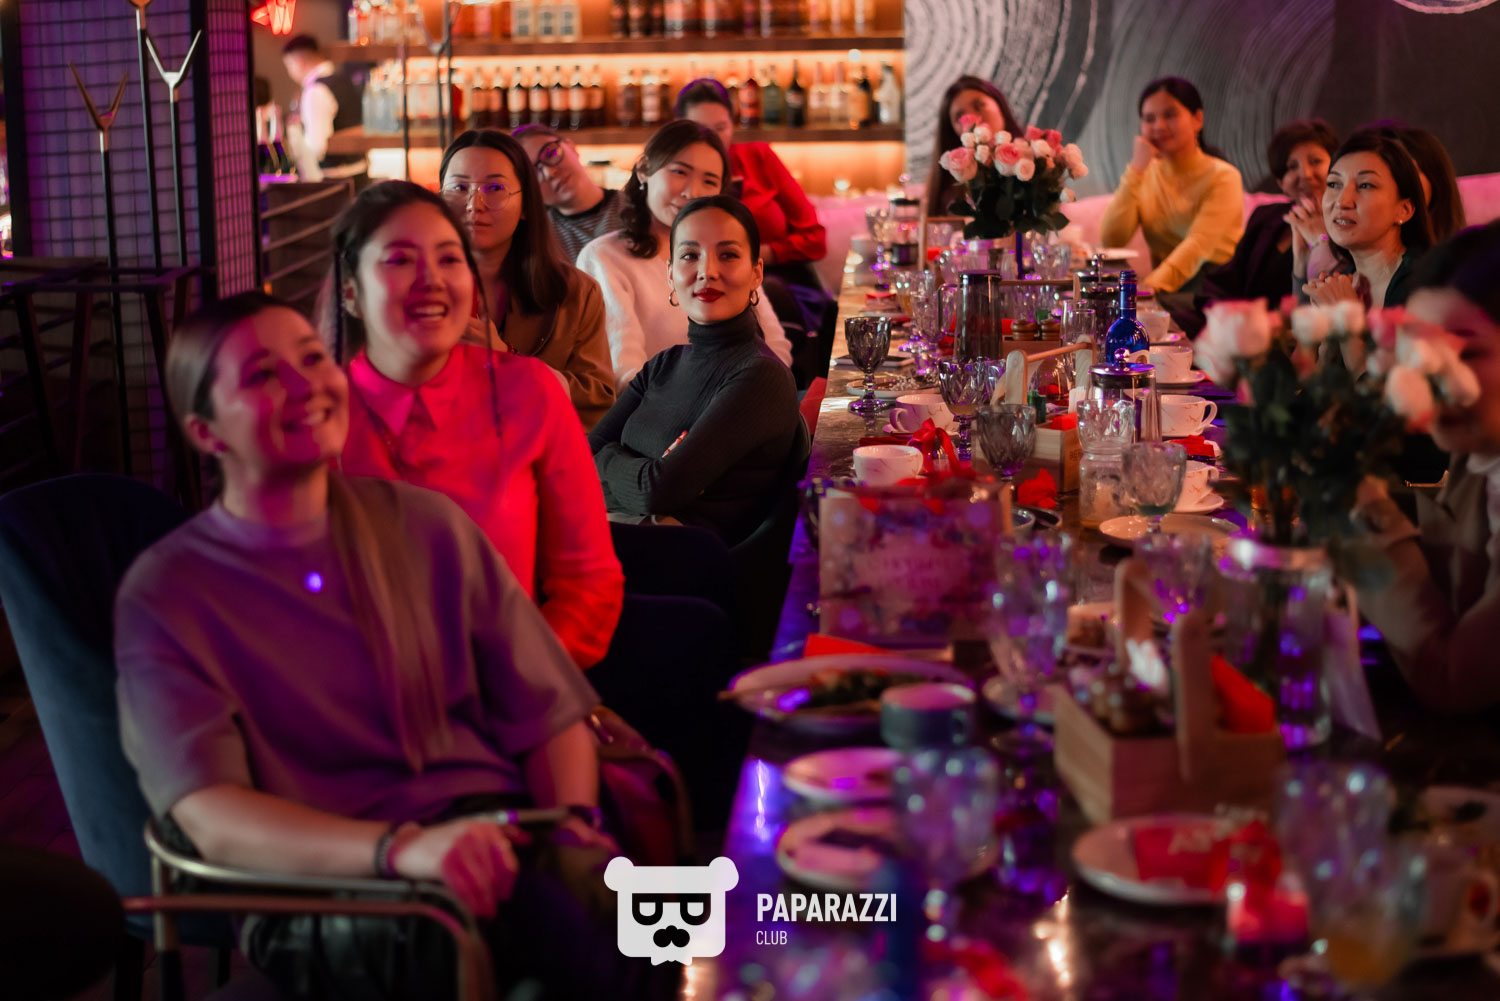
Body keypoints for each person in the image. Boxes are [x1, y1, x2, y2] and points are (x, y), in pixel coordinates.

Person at [116, 291, 677, 999]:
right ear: (205, 431)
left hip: (492, 837)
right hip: (325, 888)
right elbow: (210, 814)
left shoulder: (427, 525)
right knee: (566, 932)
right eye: (262, 376)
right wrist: (403, 851)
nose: (304, 386)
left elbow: (548, 707)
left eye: (312, 359)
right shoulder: (171, 591)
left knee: (635, 914)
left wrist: (569, 827)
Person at [329, 181, 624, 669]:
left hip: (514, 685)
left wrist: (522, 674)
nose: (431, 280)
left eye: (449, 259)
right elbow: (290, 597)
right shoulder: (316, 416)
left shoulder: (528, 392)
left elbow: (589, 581)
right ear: (350, 292)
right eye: (399, 260)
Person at [588, 195, 804, 545]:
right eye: (690, 256)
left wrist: (611, 457)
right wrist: (639, 470)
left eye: (728, 255)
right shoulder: (664, 363)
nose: (707, 272)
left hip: (679, 556)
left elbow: (656, 492)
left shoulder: (760, 376)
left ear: (756, 274)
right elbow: (583, 457)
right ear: (671, 274)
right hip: (616, 530)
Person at [1352, 221, 1500, 713]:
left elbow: (1451, 677)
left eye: (1467, 350)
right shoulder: (1478, 450)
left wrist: (1365, 513)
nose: (1434, 375)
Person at [576, 120, 793, 389]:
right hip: (657, 409)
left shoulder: (725, 253)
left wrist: (751, 395)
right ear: (644, 170)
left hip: (742, 401)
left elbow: (775, 346)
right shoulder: (603, 258)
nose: (693, 192)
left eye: (709, 181)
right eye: (679, 172)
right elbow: (626, 374)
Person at [438, 129, 615, 429]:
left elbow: (597, 405)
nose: (473, 205)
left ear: (525, 205)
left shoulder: (576, 293)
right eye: (459, 187)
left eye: (494, 187)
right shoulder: (413, 285)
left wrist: (508, 361)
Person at [1099, 76, 1244, 294]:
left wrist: (1147, 290)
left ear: (1198, 119)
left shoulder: (1224, 177)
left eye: (1170, 115)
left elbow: (1197, 247)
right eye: (1149, 119)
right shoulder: (1145, 174)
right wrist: (1136, 171)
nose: (1159, 126)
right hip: (1166, 293)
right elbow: (1112, 239)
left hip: (1212, 291)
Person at [1295, 125, 1463, 292]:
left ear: (1405, 209)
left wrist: (1346, 309)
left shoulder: (1428, 284)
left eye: (1366, 185)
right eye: (1333, 184)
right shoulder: (1340, 282)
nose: (1342, 201)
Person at [1200, 120, 1338, 309]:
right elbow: (1229, 278)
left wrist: (1320, 239)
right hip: (1239, 318)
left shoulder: (1346, 226)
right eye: (1292, 167)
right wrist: (1219, 310)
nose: (1305, 174)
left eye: (1315, 161)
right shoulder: (1265, 216)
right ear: (1281, 183)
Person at [514, 124, 627, 263]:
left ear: (571, 147)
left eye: (550, 153)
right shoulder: (539, 240)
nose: (550, 172)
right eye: (534, 173)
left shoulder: (640, 207)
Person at [925, 75, 1023, 219]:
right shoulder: (946, 184)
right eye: (960, 117)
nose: (973, 120)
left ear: (999, 105)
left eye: (979, 106)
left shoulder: (1030, 161)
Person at [280, 34, 367, 188]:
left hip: (337, 182)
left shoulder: (316, 90)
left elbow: (316, 146)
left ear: (299, 62)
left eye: (288, 65)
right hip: (360, 173)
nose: (289, 72)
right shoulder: (345, 80)